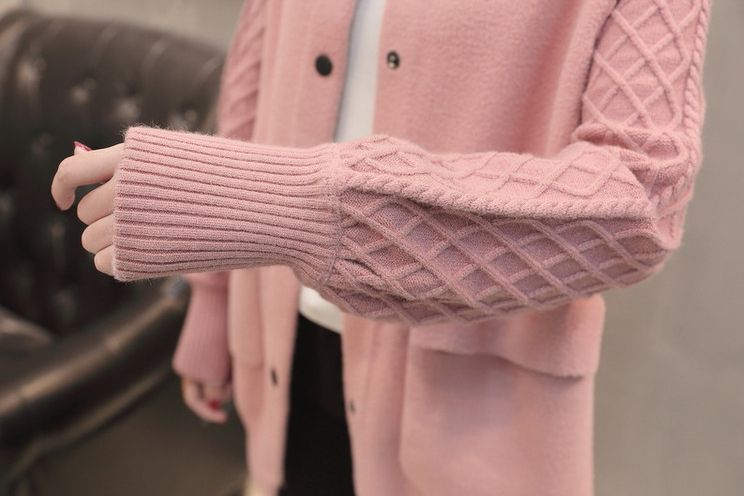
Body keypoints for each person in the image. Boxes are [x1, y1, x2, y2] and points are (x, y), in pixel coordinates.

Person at [50, 0, 712, 494]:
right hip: (285, 341)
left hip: (471, 393)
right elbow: (257, 67)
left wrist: (314, 206)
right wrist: (215, 294)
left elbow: (641, 198)